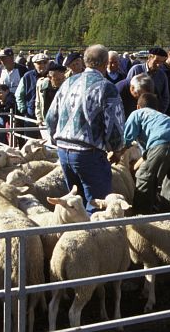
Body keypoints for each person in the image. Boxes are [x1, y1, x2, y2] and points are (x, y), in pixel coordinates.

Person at [46, 44, 125, 214]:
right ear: (105, 63)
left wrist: (56, 139)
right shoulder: (106, 87)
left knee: (76, 203)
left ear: (84, 61)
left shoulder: (68, 82)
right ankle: (93, 238)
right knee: (97, 204)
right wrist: (117, 149)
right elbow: (114, 124)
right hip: (88, 153)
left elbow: (51, 116)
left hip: (64, 151)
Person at [111, 92, 170, 215]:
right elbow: (148, 154)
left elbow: (126, 138)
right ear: (157, 108)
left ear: (138, 106)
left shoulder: (138, 113)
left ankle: (141, 219)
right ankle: (166, 218)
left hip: (162, 144)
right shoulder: (161, 117)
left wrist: (116, 154)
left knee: (144, 178)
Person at [125, 47, 170, 114]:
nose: (159, 65)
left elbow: (165, 97)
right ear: (149, 57)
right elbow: (127, 92)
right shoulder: (136, 70)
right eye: (156, 61)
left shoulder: (162, 75)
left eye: (162, 62)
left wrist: (159, 114)